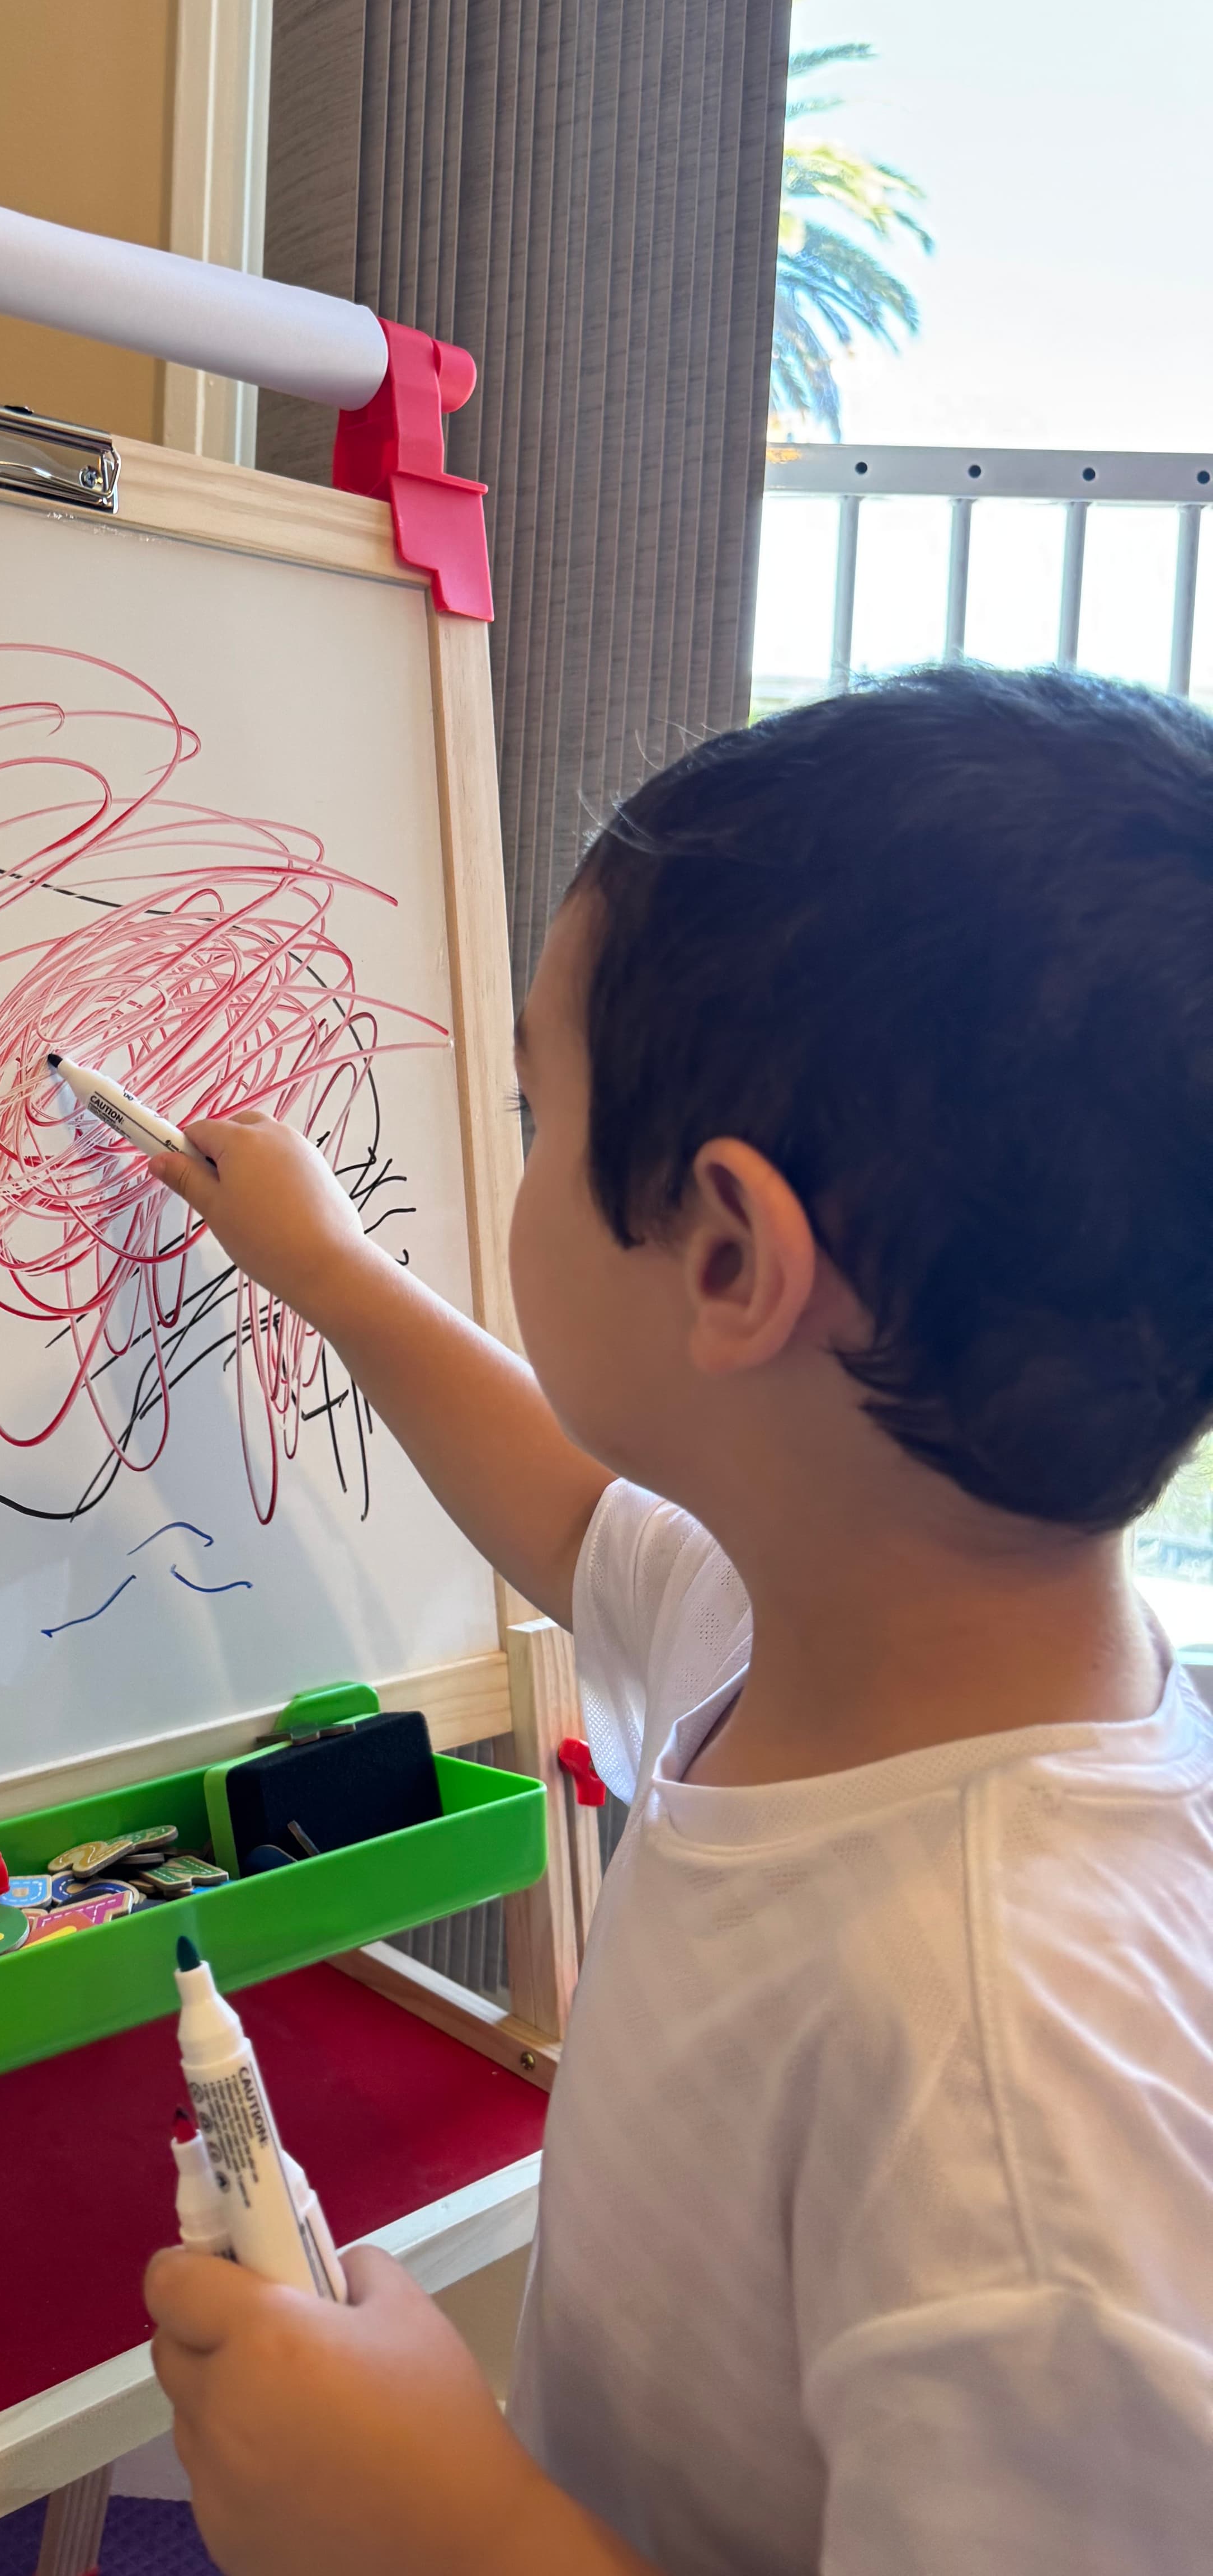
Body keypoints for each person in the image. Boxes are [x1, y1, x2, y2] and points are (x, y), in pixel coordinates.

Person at [142, 666, 1213, 2575]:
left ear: (728, 1258)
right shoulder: (824, 1622)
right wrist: (327, 1275)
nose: (518, 1154)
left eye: (539, 1114)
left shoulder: (1013, 2088)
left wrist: (445, 2531)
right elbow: (571, 1514)